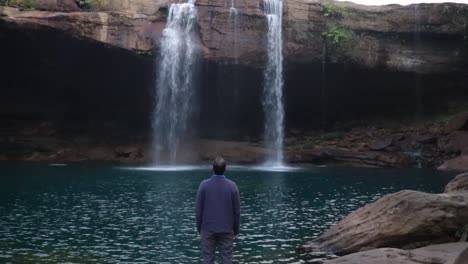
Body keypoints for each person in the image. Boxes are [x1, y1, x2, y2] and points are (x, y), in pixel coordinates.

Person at [195, 156, 241, 264]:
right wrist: (236, 230)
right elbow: (237, 212)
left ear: (212, 168)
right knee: (227, 260)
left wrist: (199, 229)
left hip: (207, 229)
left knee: (208, 259)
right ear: (225, 169)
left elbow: (198, 210)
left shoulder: (203, 185)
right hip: (226, 229)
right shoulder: (232, 186)